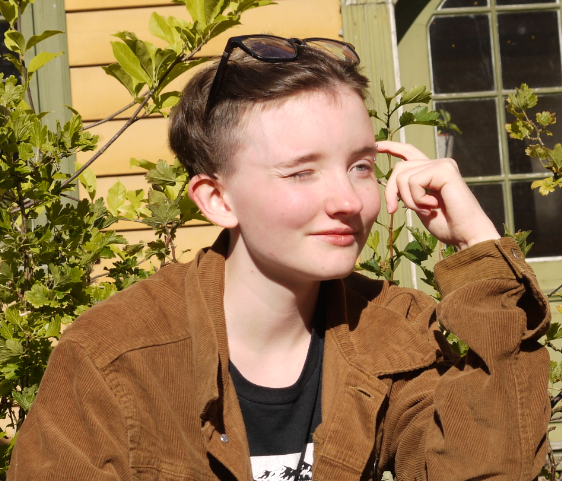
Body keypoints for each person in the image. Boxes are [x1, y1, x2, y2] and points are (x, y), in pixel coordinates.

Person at [8, 35, 551, 481]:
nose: (348, 201)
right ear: (217, 200)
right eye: (301, 172)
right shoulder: (112, 358)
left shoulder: (393, 332)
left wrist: (477, 246)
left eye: (361, 166)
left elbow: (487, 470)